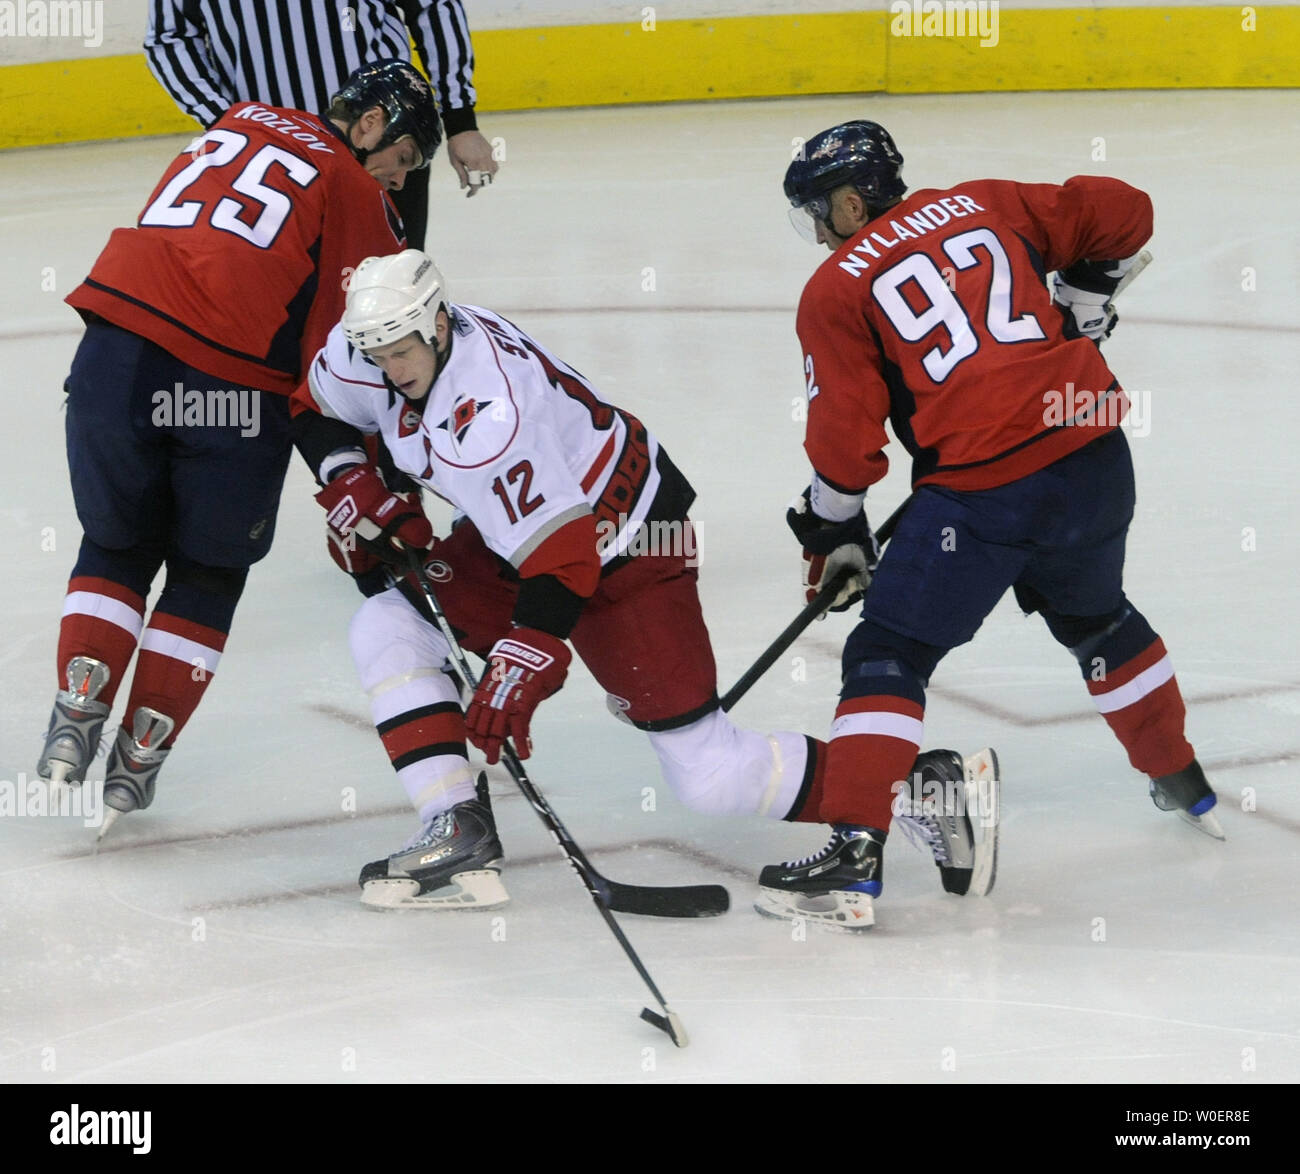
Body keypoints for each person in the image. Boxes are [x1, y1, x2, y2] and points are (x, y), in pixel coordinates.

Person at [755, 119, 1221, 931]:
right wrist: (1082, 299)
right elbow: (1127, 210)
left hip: (982, 496)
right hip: (1094, 457)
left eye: (819, 213)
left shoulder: (836, 289)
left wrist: (831, 529)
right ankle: (1181, 777)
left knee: (888, 651)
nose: (820, 233)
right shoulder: (984, 203)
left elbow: (846, 440)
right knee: (1096, 616)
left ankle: (854, 857)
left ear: (853, 201)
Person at [289, 249, 850, 910]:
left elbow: (564, 560)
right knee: (389, 624)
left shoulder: (491, 416)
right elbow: (313, 409)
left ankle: (915, 789)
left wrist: (527, 652)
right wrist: (349, 475)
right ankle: (455, 825)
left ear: (439, 325)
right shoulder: (379, 347)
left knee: (710, 774)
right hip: (524, 533)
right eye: (377, 354)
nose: (389, 370)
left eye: (401, 352)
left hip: (631, 540)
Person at [36, 61, 441, 838]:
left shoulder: (237, 118)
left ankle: (78, 700)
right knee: (209, 568)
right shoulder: (360, 196)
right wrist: (356, 470)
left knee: (116, 539)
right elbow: (338, 357)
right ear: (369, 125)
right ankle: (140, 751)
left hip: (111, 359)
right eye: (407, 156)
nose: (402, 176)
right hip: (228, 391)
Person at [145, 0, 499, 247]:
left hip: (383, 142)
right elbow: (168, 37)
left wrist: (460, 119)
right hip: (271, 160)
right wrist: (233, 125)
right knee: (288, 306)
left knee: (392, 302)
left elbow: (432, 7)